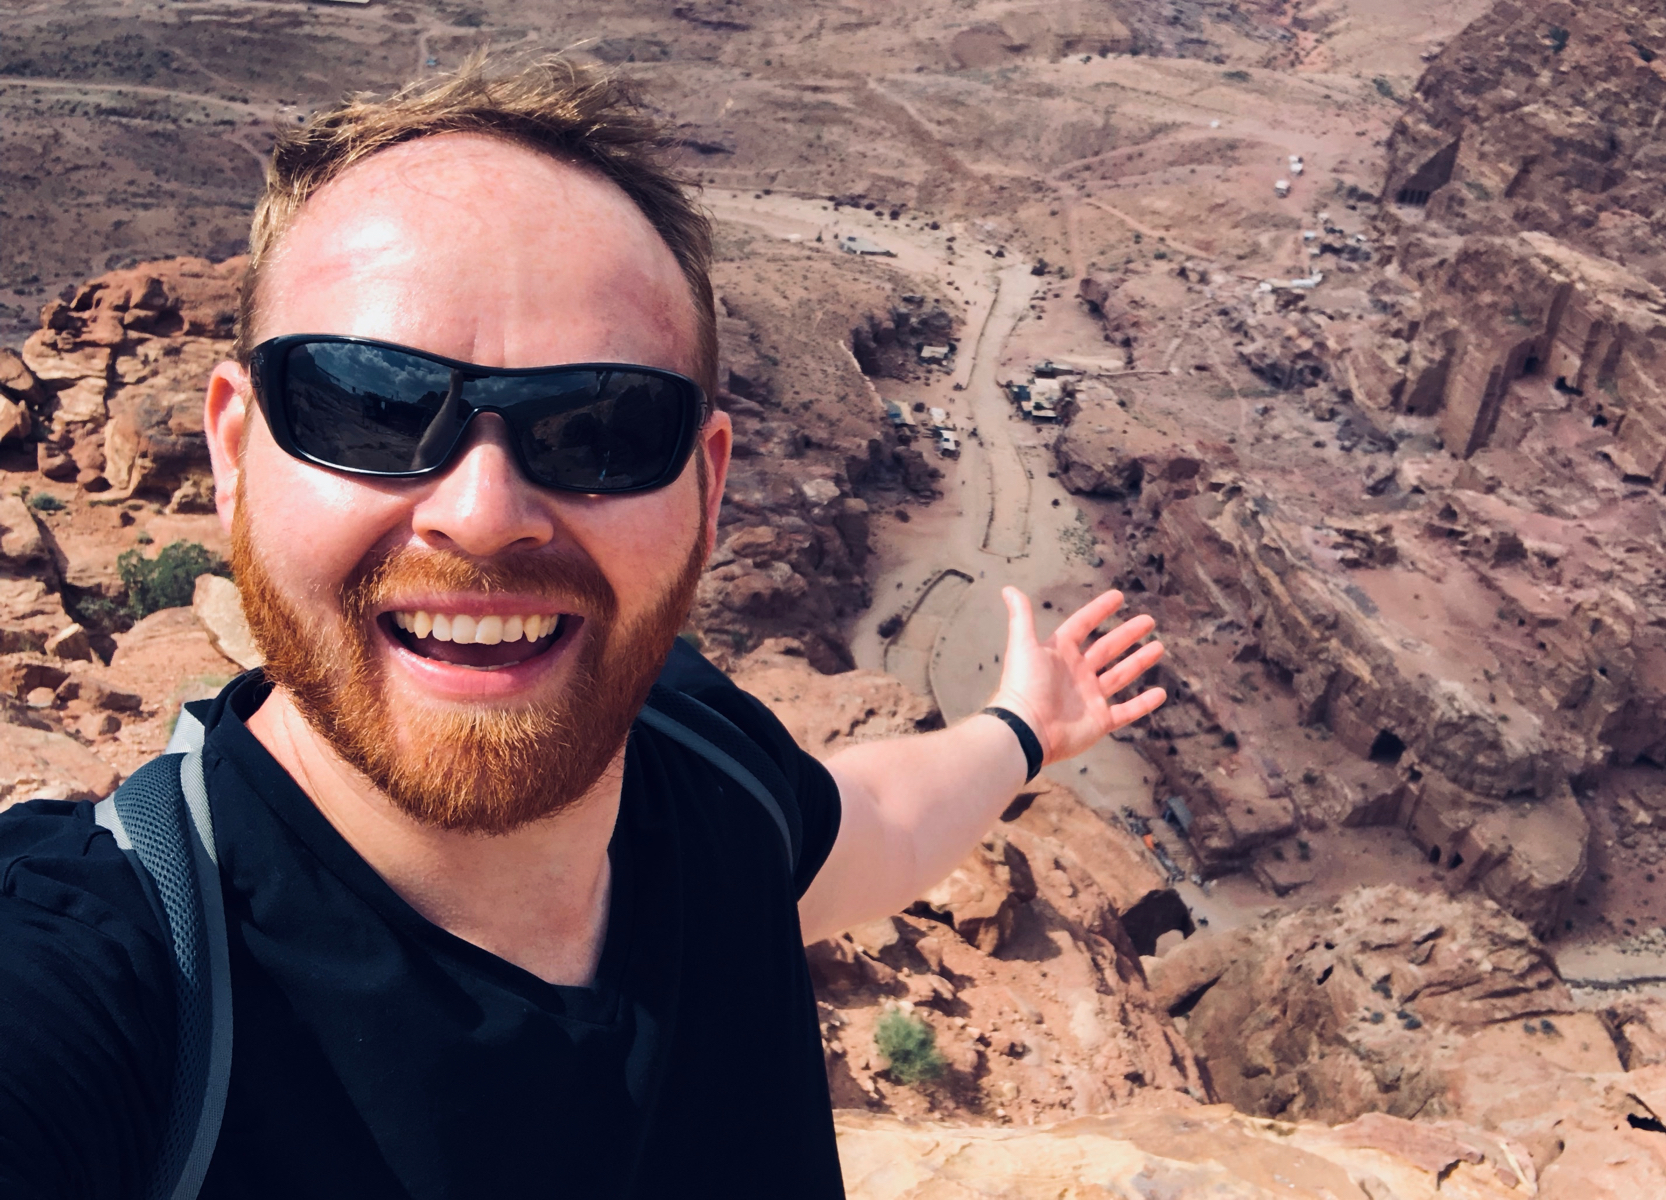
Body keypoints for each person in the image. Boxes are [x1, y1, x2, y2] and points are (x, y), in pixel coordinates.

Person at [0, 57, 1165, 1198]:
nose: (484, 513)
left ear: (709, 494)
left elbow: (866, 829)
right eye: (367, 404)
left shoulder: (705, 766)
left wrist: (1022, 727)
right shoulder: (113, 980)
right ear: (235, 453)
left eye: (598, 429)